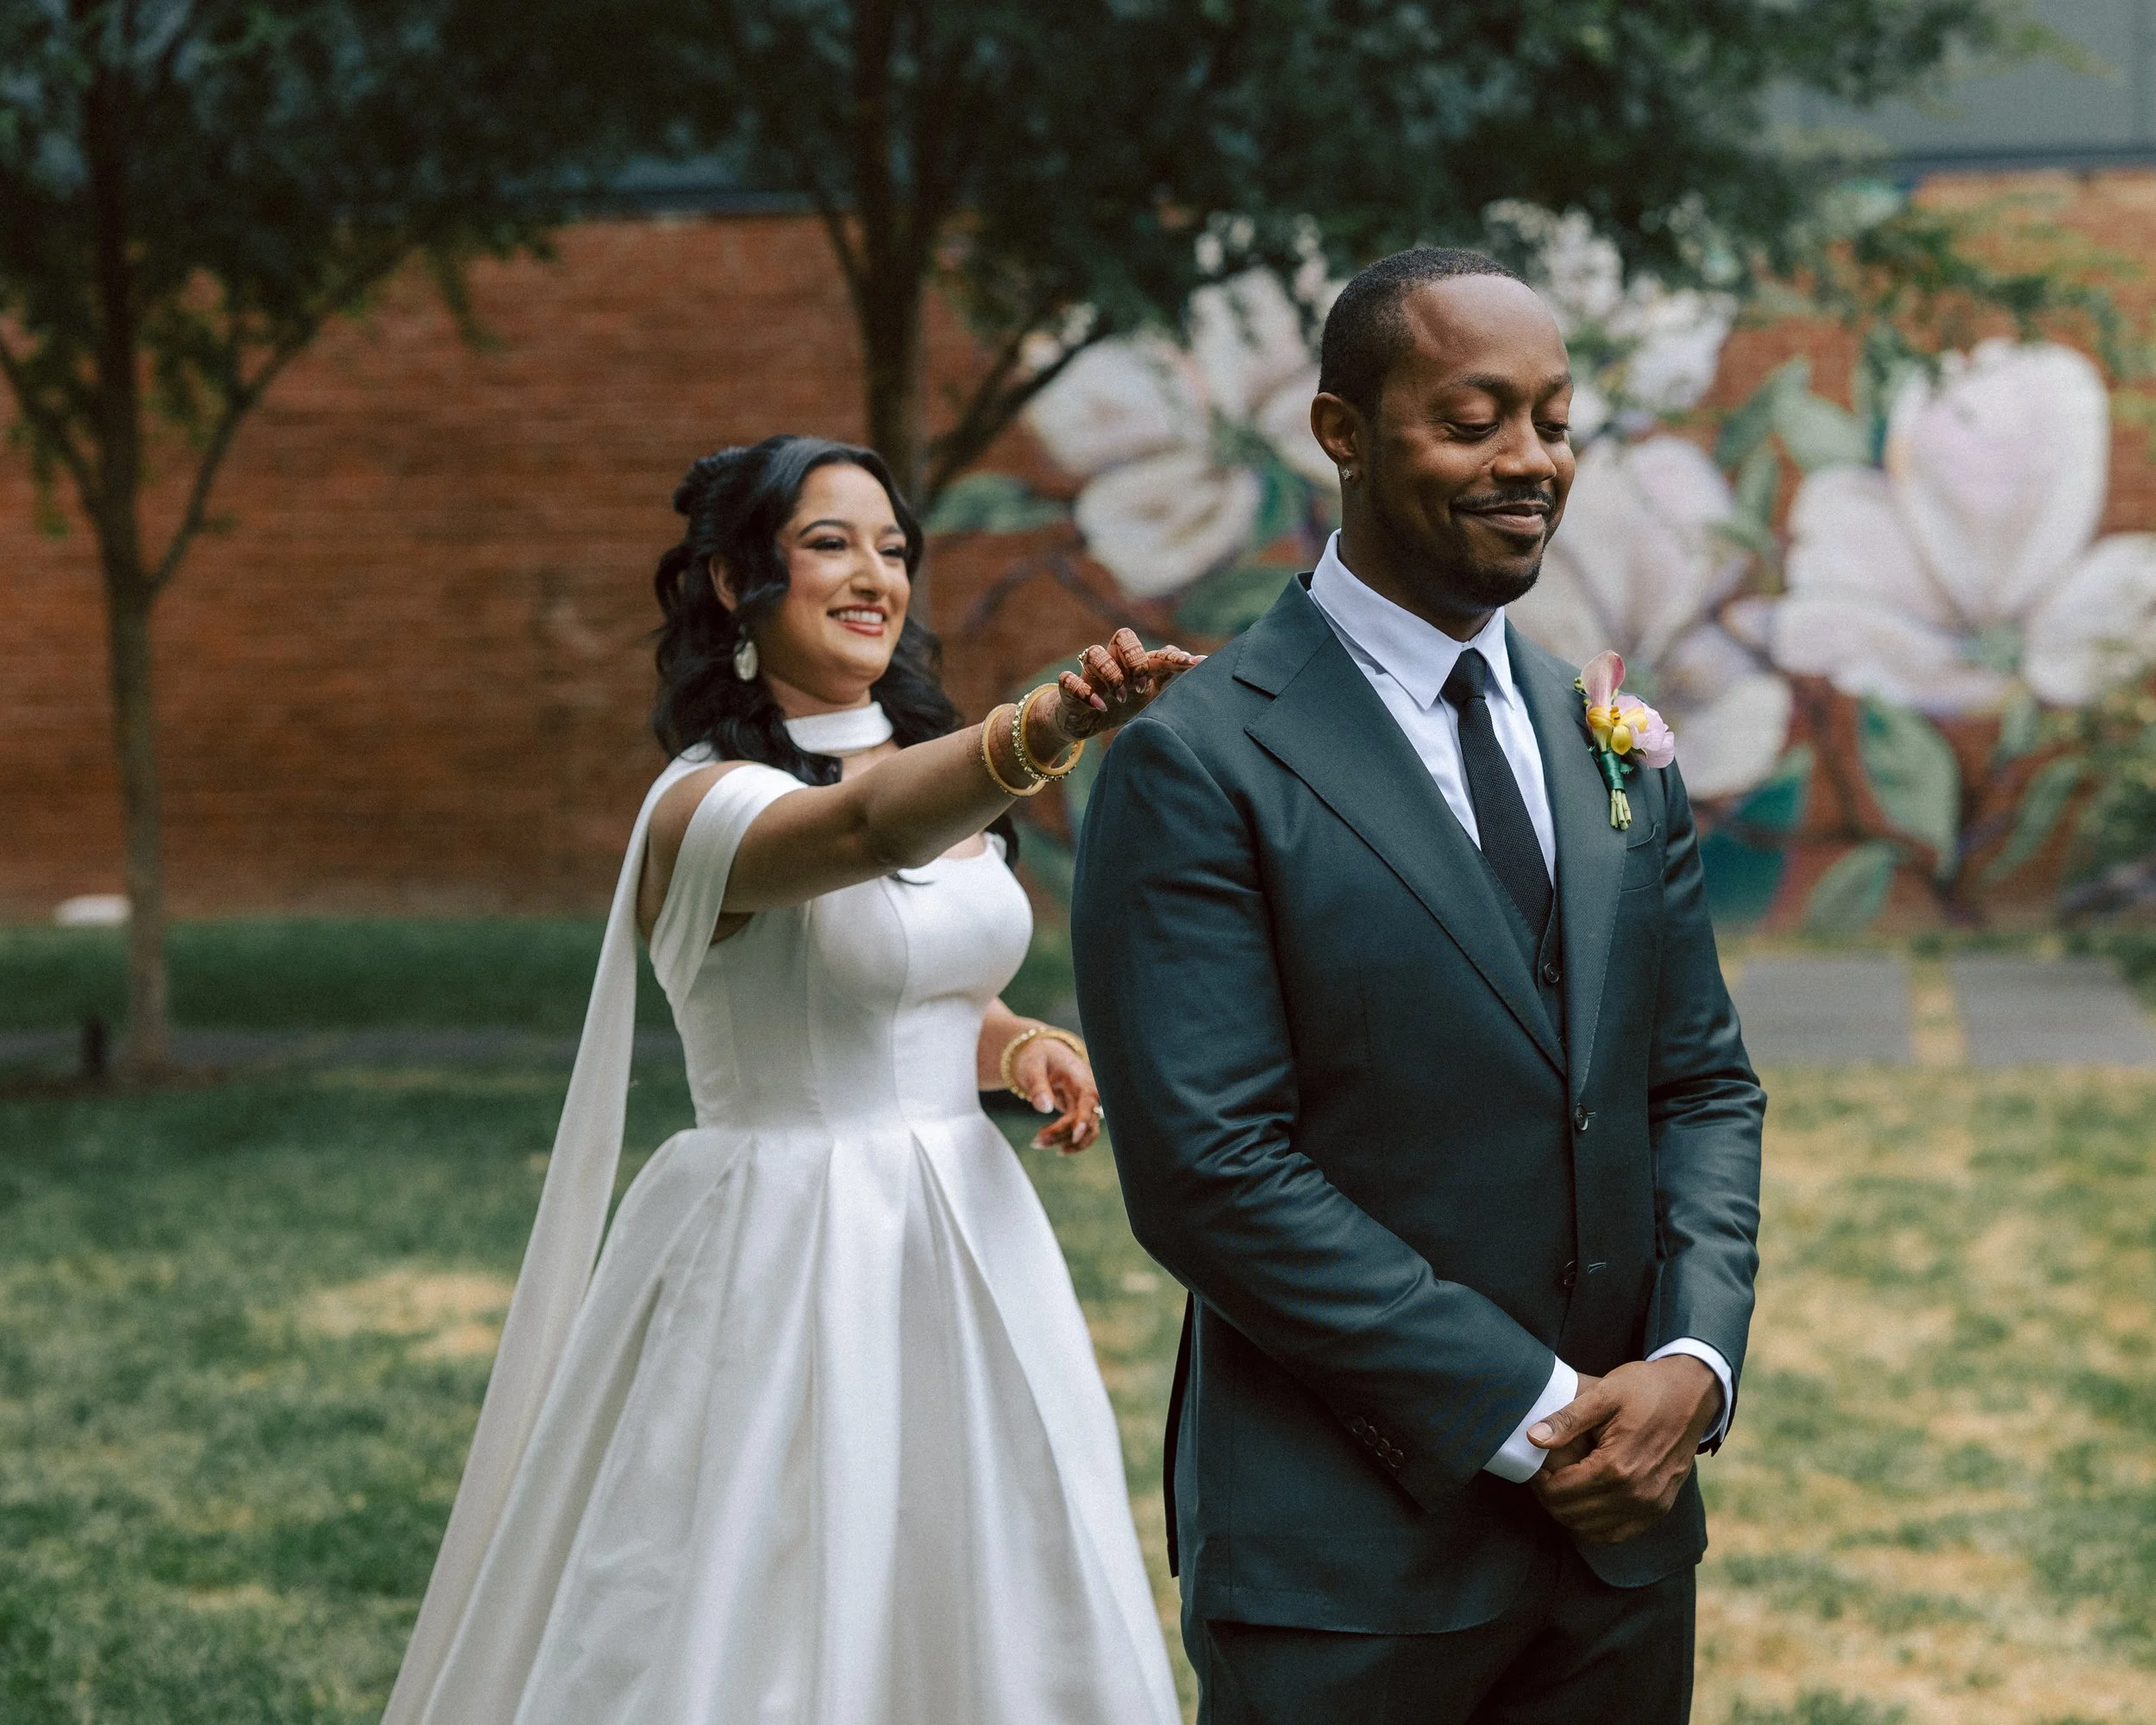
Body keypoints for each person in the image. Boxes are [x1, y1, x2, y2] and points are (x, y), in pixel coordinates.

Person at [384, 435, 1194, 1725]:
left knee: (990, 1563)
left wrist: (1014, 1044)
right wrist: (1046, 725)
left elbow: (919, 980)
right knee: (758, 1592)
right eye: (830, 543)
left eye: (892, 548)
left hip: (967, 1240)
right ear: (731, 582)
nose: (875, 574)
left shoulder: (931, 768)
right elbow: (865, 838)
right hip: (785, 1247)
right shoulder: (702, 808)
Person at [1072, 248, 1764, 1722]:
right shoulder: (1199, 760)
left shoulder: (1611, 739)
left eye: (1556, 420)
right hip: (1349, 1563)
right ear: (1342, 431)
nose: (1531, 463)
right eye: (1474, 420)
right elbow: (1211, 1171)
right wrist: (1539, 1414)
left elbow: (1696, 1080)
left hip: (1622, 1553)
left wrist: (1693, 1365)